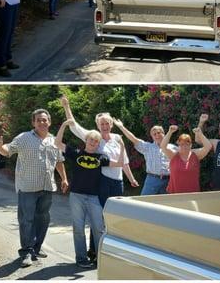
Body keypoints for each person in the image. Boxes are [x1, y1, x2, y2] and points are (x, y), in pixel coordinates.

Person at [60, 95, 138, 261]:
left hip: (118, 183)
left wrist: (130, 178)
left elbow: (122, 163)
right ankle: (94, 251)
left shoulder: (117, 139)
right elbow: (74, 126)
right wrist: (67, 107)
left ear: (111, 125)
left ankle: (107, 249)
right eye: (101, 123)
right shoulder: (93, 137)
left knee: (111, 217)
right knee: (99, 219)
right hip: (101, 183)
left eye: (107, 123)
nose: (104, 126)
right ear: (97, 125)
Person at [0, 109, 68, 268]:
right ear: (33, 122)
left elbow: (59, 161)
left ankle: (36, 248)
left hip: (47, 187)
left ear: (49, 122)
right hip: (27, 187)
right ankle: (26, 252)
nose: (42, 122)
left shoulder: (54, 141)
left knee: (43, 219)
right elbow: (8, 150)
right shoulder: (24, 137)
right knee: (26, 221)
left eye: (44, 120)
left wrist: (64, 178)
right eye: (38, 120)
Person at [55, 119, 126, 268]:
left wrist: (122, 146)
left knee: (99, 229)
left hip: (94, 197)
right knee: (78, 229)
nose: (93, 142)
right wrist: (63, 125)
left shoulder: (102, 158)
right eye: (91, 140)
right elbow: (57, 143)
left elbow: (119, 164)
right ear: (86, 140)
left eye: (96, 141)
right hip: (77, 196)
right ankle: (81, 259)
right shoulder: (76, 153)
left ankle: (100, 258)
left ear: (98, 143)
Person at [113, 119, 171, 195]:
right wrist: (121, 127)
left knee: (166, 204)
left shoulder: (172, 148)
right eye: (154, 134)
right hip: (152, 180)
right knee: (145, 203)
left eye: (159, 133)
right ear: (152, 137)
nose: (157, 135)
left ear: (164, 134)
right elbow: (133, 139)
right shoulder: (148, 147)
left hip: (168, 181)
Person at [160, 126, 212, 194]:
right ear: (178, 145)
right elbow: (163, 146)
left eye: (187, 144)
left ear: (191, 145)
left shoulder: (196, 155)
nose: (184, 146)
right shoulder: (173, 155)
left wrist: (200, 133)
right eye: (181, 144)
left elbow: (208, 146)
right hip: (174, 194)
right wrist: (170, 132)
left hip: (192, 195)